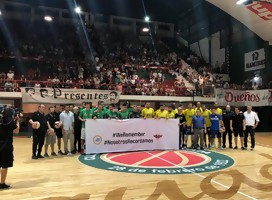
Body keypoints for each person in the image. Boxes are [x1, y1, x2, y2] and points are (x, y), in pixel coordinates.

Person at [0, 107, 20, 189]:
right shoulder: (10, 121)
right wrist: (18, 121)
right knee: (4, 165)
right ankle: (2, 184)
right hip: (6, 146)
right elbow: (17, 131)